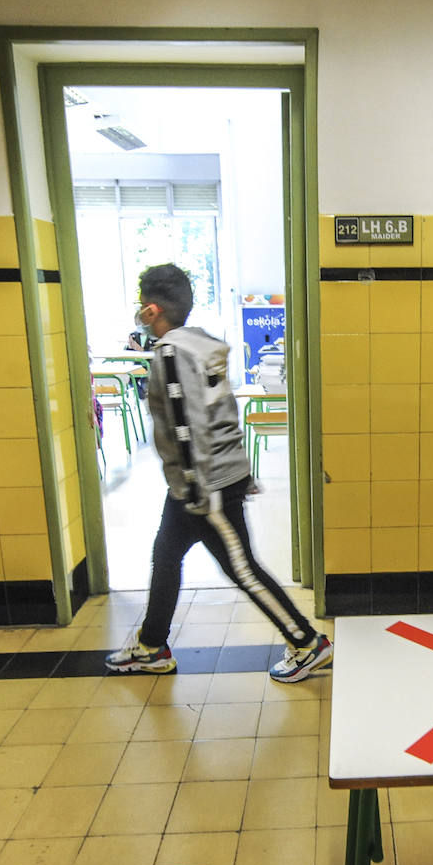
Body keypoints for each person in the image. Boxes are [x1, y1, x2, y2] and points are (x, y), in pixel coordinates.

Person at [106, 264, 333, 682]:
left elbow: (185, 424)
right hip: (204, 481)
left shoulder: (172, 354)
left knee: (242, 568)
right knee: (167, 554)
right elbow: (223, 412)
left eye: (142, 306)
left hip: (202, 485)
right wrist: (237, 471)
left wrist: (197, 487)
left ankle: (306, 643)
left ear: (152, 310)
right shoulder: (201, 344)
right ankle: (152, 645)